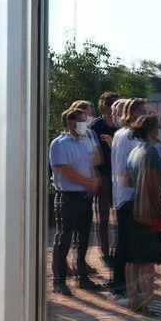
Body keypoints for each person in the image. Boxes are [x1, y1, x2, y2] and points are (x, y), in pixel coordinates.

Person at [50, 108, 101, 295]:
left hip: (85, 197)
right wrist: (89, 183)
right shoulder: (59, 144)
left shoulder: (86, 142)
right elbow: (65, 170)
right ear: (71, 123)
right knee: (64, 238)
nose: (85, 125)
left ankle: (82, 277)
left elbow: (93, 166)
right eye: (82, 121)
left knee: (83, 239)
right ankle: (59, 280)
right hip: (67, 197)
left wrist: (94, 182)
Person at [126, 114, 161, 312]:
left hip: (134, 205)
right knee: (147, 260)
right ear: (152, 130)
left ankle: (133, 298)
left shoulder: (135, 151)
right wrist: (160, 210)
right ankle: (147, 302)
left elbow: (127, 180)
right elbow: (153, 185)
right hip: (147, 209)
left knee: (134, 258)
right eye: (159, 126)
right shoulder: (151, 152)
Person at [110, 98, 146, 299]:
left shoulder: (135, 135)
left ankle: (129, 284)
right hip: (128, 196)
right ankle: (119, 286)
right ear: (133, 113)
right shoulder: (126, 136)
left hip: (136, 196)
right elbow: (123, 169)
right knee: (125, 244)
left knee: (131, 243)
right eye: (143, 111)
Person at [90, 92, 119, 268]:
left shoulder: (121, 126)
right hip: (102, 174)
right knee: (103, 215)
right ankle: (105, 251)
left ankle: (119, 249)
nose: (112, 108)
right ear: (104, 106)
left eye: (115, 104)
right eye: (110, 105)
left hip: (119, 175)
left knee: (119, 214)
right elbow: (91, 151)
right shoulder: (96, 125)